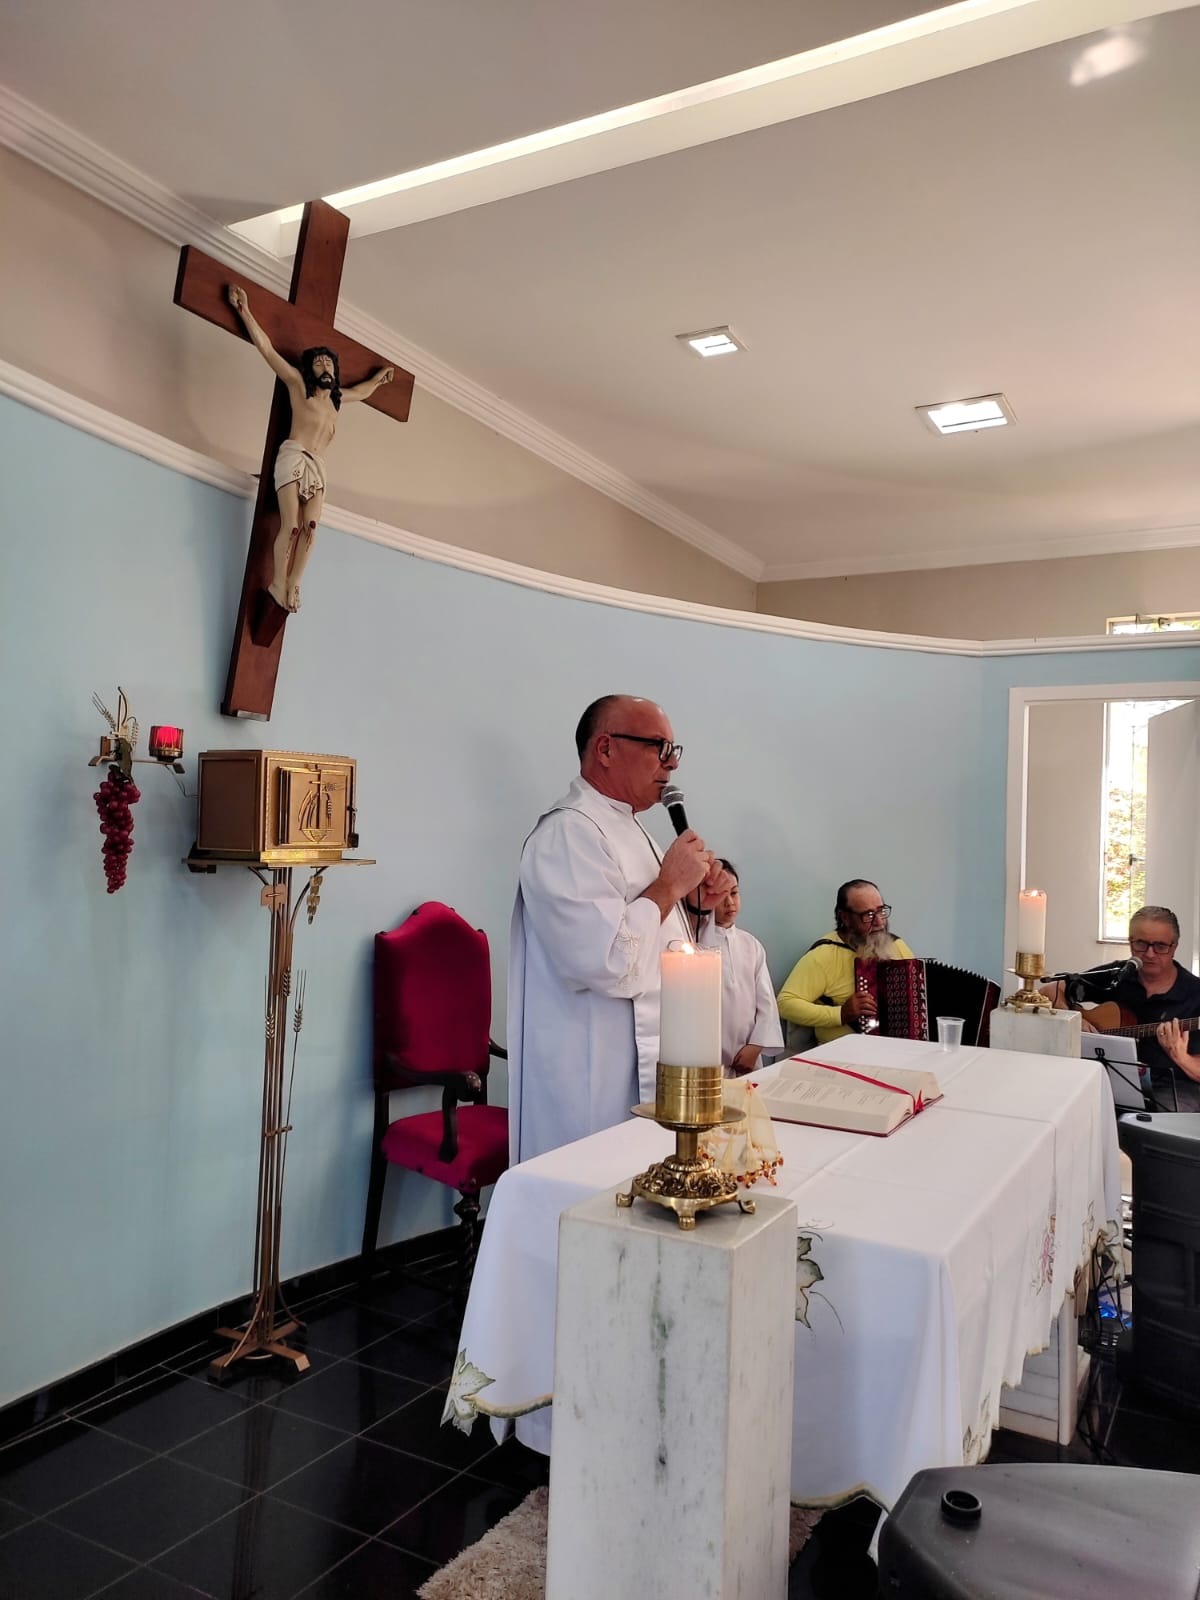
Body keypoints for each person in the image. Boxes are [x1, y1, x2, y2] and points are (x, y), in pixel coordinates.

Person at [508, 694, 733, 1163]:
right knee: (591, 1197)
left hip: (648, 1062)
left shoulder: (635, 830)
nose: (670, 764)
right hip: (593, 1075)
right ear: (606, 749)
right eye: (658, 747)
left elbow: (654, 939)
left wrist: (695, 908)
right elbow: (606, 960)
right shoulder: (569, 833)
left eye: (674, 750)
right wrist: (670, 886)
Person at [227, 284, 394, 612]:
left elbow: (362, 391)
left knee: (311, 528)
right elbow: (267, 349)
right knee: (290, 526)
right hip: (293, 457)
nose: (326, 367)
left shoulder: (337, 400)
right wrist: (245, 311)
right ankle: (278, 582)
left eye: (329, 363)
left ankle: (295, 584)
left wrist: (379, 379)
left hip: (318, 465)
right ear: (310, 369)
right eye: (319, 363)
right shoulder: (298, 385)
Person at [1053, 906, 1200, 1111]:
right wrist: (1074, 1016)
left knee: (1158, 1123)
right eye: (1141, 944)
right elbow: (1053, 990)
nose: (1149, 954)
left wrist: (1181, 1057)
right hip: (1106, 1076)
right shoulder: (1119, 974)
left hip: (1172, 1087)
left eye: (1159, 946)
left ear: (1174, 947)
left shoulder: (1195, 993)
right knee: (1062, 1104)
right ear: (1131, 942)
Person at [776, 879, 914, 1046]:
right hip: (841, 1057)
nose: (879, 922)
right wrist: (840, 1014)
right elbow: (785, 1004)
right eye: (868, 915)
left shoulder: (896, 945)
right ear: (846, 918)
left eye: (881, 911)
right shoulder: (823, 955)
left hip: (897, 1050)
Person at [697, 860, 783, 1076]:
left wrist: (755, 1047)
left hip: (747, 1060)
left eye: (734, 893)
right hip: (706, 1062)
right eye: (720, 896)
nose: (729, 903)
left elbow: (766, 1004)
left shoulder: (751, 945)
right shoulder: (693, 944)